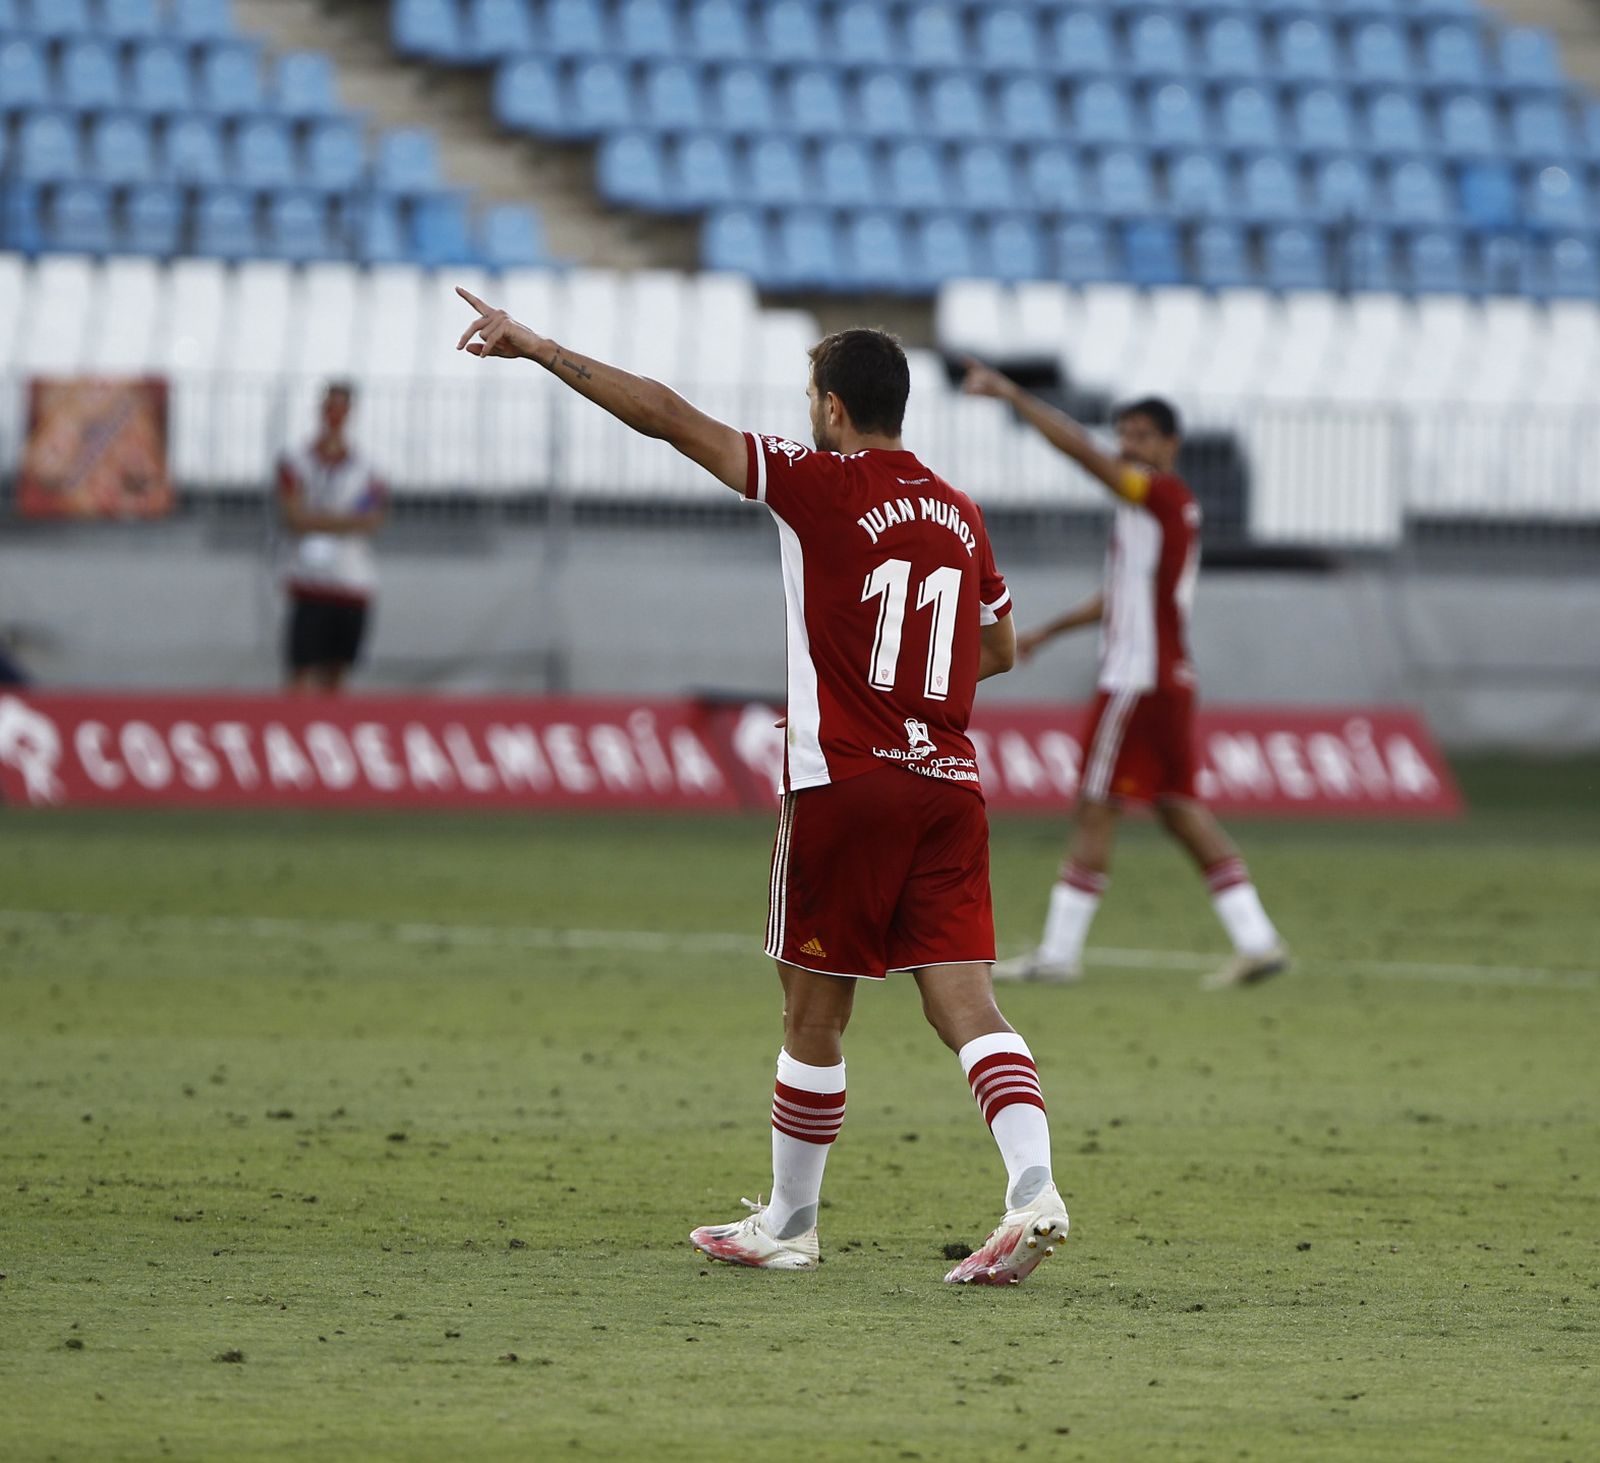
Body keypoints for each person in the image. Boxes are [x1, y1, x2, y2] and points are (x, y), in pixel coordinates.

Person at [456, 287, 1068, 1284]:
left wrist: (538, 347)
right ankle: (1033, 1187)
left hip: (845, 782)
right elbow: (996, 645)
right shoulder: (960, 513)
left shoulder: (817, 482)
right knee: (967, 1002)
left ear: (832, 407)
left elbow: (665, 415)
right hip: (948, 783)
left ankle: (789, 1220)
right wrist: (919, 689)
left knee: (812, 1012)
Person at [961, 366, 1288, 992]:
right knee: (1178, 810)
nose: (1129, 446)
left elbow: (1086, 458)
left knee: (1094, 806)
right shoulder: (1157, 513)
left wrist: (1015, 398)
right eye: (1124, 433)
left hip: (1136, 682)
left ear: (1171, 446)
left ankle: (1058, 953)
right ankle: (1258, 940)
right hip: (1167, 680)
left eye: (1143, 436)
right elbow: (1118, 597)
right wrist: (1048, 632)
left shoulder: (1160, 495)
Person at [277, 382, 387, 693]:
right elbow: (293, 516)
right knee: (301, 669)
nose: (335, 415)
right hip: (309, 580)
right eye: (330, 408)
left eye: (341, 408)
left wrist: (318, 520)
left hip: (351, 581)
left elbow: (371, 518)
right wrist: (343, 521)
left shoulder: (367, 466)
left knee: (338, 672)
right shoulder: (297, 459)